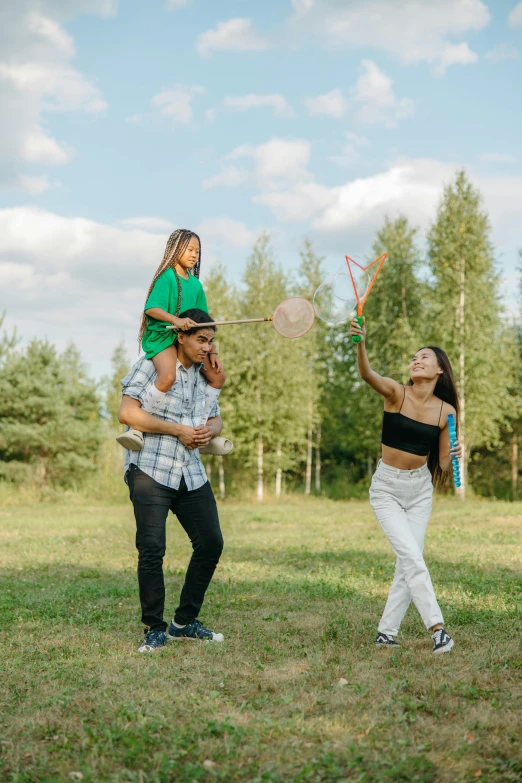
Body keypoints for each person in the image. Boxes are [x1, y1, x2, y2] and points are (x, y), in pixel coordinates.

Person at [350, 316, 462, 654]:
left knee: (408, 559)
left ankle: (387, 632)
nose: (416, 360)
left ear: (440, 369)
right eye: (414, 357)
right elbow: (367, 374)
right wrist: (361, 344)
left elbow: (442, 464)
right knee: (412, 556)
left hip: (419, 492)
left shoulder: (446, 411)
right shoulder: (396, 393)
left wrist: (457, 454)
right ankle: (438, 629)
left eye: (424, 357)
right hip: (386, 488)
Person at [118, 309, 225, 653]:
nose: (207, 348)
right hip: (150, 467)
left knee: (210, 542)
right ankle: (155, 627)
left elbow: (216, 419)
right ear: (181, 335)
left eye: (211, 341)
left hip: (189, 471)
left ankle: (183, 622)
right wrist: (178, 430)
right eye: (201, 339)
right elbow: (127, 413)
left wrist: (209, 431)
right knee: (152, 550)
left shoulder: (203, 374)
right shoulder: (151, 364)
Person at [117, 228, 225, 451]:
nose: (194, 254)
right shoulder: (167, 277)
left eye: (197, 251)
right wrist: (176, 321)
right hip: (164, 337)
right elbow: (152, 309)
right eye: (189, 249)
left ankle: (201, 429)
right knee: (167, 376)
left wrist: (212, 351)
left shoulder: (195, 284)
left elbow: (204, 321)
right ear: (175, 249)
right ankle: (140, 427)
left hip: (186, 339)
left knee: (217, 375)